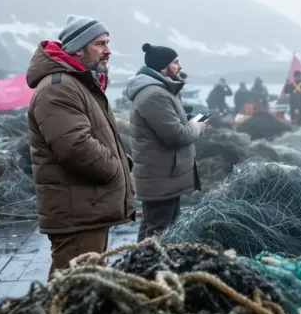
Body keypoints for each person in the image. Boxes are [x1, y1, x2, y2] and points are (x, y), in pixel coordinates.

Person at [26, 15, 135, 279]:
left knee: (85, 286)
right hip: (77, 212)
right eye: (100, 43)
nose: (108, 51)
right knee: (73, 287)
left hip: (88, 206)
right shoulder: (59, 88)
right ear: (78, 48)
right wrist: (115, 170)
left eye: (107, 43)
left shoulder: (77, 83)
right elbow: (76, 147)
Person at [126, 43, 206, 241]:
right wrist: (197, 127)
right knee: (160, 232)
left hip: (166, 175)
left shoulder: (160, 91)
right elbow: (176, 135)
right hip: (161, 177)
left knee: (153, 228)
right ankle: (149, 270)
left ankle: (140, 268)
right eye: (175, 62)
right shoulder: (154, 95)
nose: (180, 66)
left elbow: (170, 126)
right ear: (163, 67)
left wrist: (187, 121)